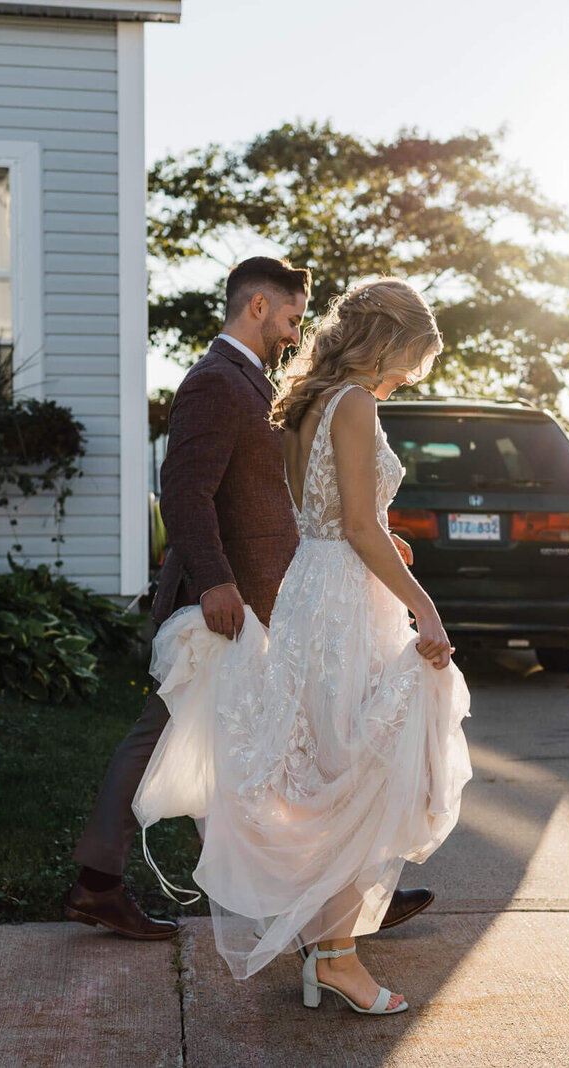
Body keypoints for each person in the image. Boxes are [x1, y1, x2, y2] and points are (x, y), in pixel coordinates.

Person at [63, 258, 437, 940]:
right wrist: (213, 580)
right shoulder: (213, 382)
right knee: (169, 738)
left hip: (271, 600)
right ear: (258, 307)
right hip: (223, 605)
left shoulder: (257, 384)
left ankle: (332, 892)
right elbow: (184, 490)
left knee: (284, 748)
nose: (298, 335)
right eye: (293, 319)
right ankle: (100, 881)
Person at [131, 277, 472, 1015]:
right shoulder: (352, 403)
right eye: (414, 354)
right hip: (345, 603)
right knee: (361, 770)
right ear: (390, 338)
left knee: (332, 766)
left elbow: (333, 520)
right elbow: (354, 524)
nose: (412, 370)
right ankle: (338, 957)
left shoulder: (305, 402)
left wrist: (386, 545)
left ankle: (328, 950)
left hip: (314, 588)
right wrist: (427, 609)